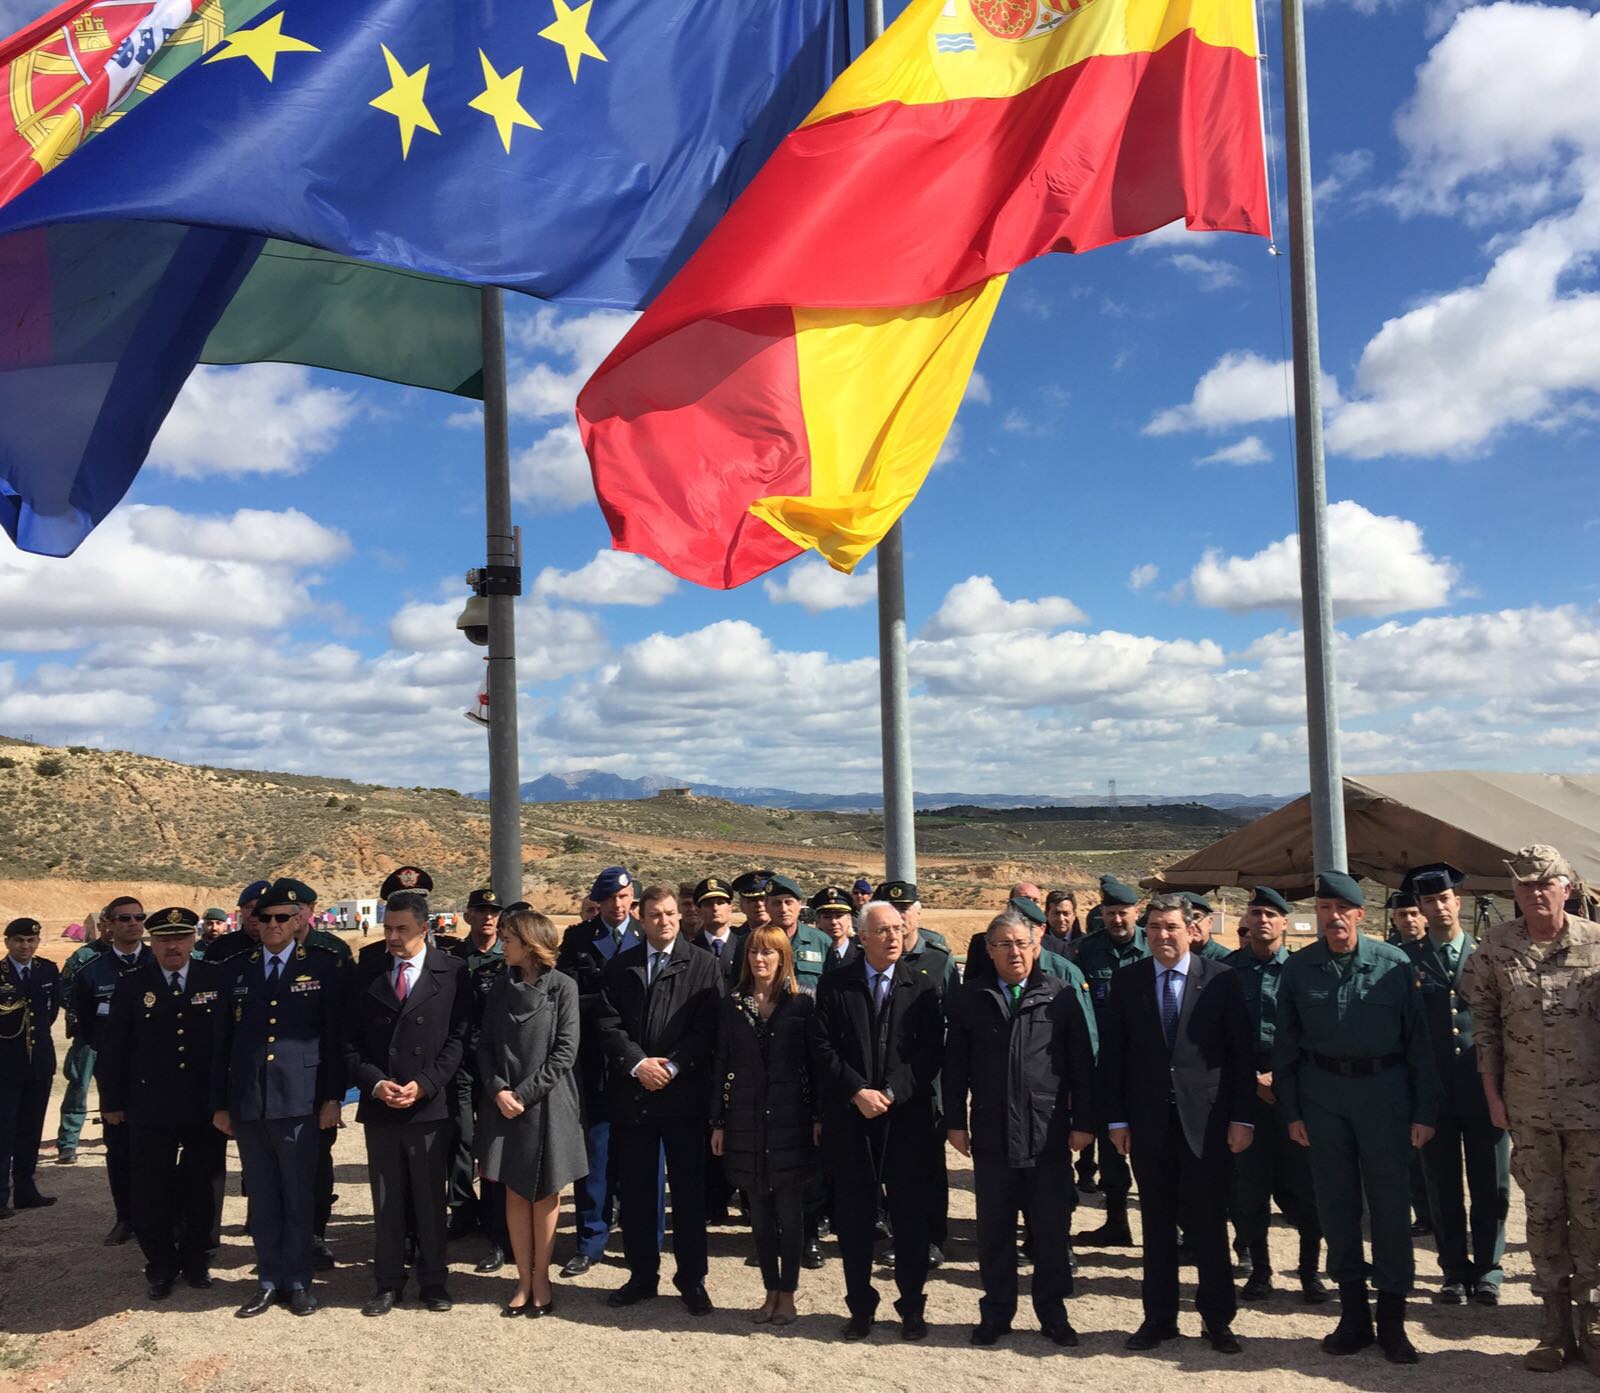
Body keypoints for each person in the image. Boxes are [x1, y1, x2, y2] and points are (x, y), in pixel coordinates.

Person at [1274, 871, 1438, 1364]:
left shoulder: (1393, 964)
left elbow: (1420, 1046)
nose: (1334, 917)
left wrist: (1424, 1110)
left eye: (1342, 910)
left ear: (1360, 915)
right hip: (1323, 1097)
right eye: (1325, 909)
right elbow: (1285, 1049)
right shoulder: (1300, 969)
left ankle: (1391, 1321)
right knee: (1337, 1205)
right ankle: (1352, 1318)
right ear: (1318, 915)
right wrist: (1292, 1112)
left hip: (1384, 1095)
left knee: (1389, 1208)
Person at [1462, 844, 1600, 1373]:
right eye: (1523, 886)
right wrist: (1494, 1098)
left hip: (1591, 1112)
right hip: (1529, 1110)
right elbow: (1487, 1029)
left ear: (1567, 886)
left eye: (1544, 883)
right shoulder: (1496, 949)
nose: (1534, 893)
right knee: (1543, 1216)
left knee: (1592, 1217)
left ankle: (1592, 1326)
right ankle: (1552, 1329)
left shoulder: (1595, 944)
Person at [1099, 895, 1254, 1354]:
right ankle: (1159, 1319)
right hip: (1147, 1124)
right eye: (1153, 929)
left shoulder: (1222, 981)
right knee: (1158, 1226)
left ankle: (1217, 1320)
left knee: (1208, 1225)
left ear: (1191, 930)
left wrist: (1242, 1117)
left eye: (1170, 927)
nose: (1162, 936)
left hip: (1206, 1124)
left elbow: (1240, 1056)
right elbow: (1113, 1058)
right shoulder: (1129, 982)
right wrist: (1117, 1119)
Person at [945, 908, 1094, 1347]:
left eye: (1022, 944)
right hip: (991, 1133)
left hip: (1046, 1132)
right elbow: (954, 1067)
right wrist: (956, 1123)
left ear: (1037, 948)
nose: (1015, 952)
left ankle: (1053, 1314)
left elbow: (1082, 1065)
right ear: (989, 952)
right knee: (994, 1231)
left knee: (1049, 1231)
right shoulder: (971, 998)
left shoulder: (1061, 995)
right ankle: (996, 1313)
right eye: (1004, 944)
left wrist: (1084, 1123)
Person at [212, 878, 345, 1317]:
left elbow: (334, 1040)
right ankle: (268, 1280)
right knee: (263, 1197)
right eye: (264, 917)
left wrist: (332, 1099)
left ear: (299, 920)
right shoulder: (236, 969)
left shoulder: (324, 967)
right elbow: (221, 1044)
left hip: (300, 1102)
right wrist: (220, 1103)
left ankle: (300, 1280)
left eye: (282, 918)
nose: (272, 925)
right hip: (250, 1101)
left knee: (298, 1195)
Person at [812, 900, 944, 1341]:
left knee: (909, 1219)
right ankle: (860, 1308)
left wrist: (889, 1092)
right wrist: (856, 1090)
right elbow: (821, 1048)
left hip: (905, 1122)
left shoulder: (922, 986)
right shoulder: (835, 985)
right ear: (862, 937)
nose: (892, 936)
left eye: (897, 928)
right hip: (851, 1121)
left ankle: (911, 1307)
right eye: (882, 930)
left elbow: (929, 1054)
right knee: (853, 1219)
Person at [595, 884, 721, 1314]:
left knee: (688, 1194)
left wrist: (672, 1066)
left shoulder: (703, 965)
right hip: (634, 1098)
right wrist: (638, 1064)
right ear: (641, 918)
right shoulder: (621, 966)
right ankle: (641, 1275)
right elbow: (608, 1024)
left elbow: (707, 1029)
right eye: (655, 915)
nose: (664, 921)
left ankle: (692, 1280)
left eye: (670, 913)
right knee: (636, 1192)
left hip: (683, 1099)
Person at [345, 888, 471, 1316]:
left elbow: (459, 1039)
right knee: (387, 1197)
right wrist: (376, 1084)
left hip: (428, 1106)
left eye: (402, 929)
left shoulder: (453, 972)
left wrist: (426, 1084)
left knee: (430, 1199)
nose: (393, 938)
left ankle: (434, 1280)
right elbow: (349, 1041)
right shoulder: (367, 969)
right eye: (388, 928)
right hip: (382, 1104)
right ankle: (387, 1281)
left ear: (425, 928)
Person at [98, 908, 228, 1298]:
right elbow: (114, 1048)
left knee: (203, 1183)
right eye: (164, 939)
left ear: (194, 939)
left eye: (181, 937)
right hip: (149, 1104)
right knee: (150, 1186)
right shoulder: (134, 983)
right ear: (151, 942)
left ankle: (197, 1257)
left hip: (203, 1104)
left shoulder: (215, 978)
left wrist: (227, 1100)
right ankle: (160, 1263)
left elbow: (227, 1044)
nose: (173, 946)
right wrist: (112, 1101)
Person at [1401, 862, 1509, 1307]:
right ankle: (1452, 1271)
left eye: (1444, 899)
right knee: (1441, 1185)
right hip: (1434, 1095)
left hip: (1484, 1090)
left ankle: (1488, 1270)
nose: (1438, 907)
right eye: (1429, 901)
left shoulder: (1487, 954)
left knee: (1491, 1184)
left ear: (1457, 902)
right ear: (1421, 909)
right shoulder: (1406, 961)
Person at [476, 908, 586, 1318]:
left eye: (509, 939)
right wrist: (498, 1090)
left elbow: (564, 1052)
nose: (502, 944)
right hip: (504, 1104)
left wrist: (522, 1094)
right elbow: (484, 1046)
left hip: (547, 1103)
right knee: (515, 1191)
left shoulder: (563, 987)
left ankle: (542, 1278)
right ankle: (522, 1278)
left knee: (545, 1192)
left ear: (530, 943)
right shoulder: (499, 989)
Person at [712, 924, 819, 1325]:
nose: (760, 959)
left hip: (791, 1120)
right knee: (758, 1213)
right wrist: (718, 1121)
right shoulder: (733, 1003)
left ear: (782, 957)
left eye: (768, 953)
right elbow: (721, 1064)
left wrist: (819, 1116)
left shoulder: (802, 1003)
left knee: (790, 1215)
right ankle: (768, 1292)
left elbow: (814, 1065)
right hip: (745, 1119)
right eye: (754, 952)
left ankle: (787, 1294)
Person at [1226, 887, 1327, 1303]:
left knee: (1306, 1190)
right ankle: (1261, 1271)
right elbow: (1219, 1037)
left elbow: (1317, 1035)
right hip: (1246, 1095)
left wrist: (1281, 1082)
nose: (1263, 920)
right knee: (1250, 1189)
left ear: (1285, 922)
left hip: (1296, 1096)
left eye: (1271, 913)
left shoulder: (1304, 970)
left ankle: (1309, 1273)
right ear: (1247, 922)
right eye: (1256, 913)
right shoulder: (1228, 972)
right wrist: (1252, 1079)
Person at [554, 865, 642, 1277]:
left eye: (624, 898)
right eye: (609, 900)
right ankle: (590, 1240)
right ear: (598, 902)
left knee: (637, 1154)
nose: (617, 906)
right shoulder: (577, 939)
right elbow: (568, 996)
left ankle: (640, 1238)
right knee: (594, 1154)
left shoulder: (647, 936)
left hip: (638, 1061)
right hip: (594, 1062)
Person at [74, 893, 154, 1243]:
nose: (133, 923)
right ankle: (126, 1218)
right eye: (124, 918)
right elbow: (87, 1028)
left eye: (139, 917)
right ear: (108, 924)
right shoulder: (92, 973)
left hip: (160, 1070)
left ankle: (164, 1215)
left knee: (161, 1145)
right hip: (116, 1073)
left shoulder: (158, 962)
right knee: (119, 1146)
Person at [1072, 875, 1148, 1242]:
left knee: (1156, 1151)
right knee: (1111, 1150)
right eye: (1110, 913)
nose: (1118, 920)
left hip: (1148, 1069)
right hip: (1106, 1068)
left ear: (1138, 912)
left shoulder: (1154, 948)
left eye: (1123, 913)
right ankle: (1116, 1223)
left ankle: (1174, 1229)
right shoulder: (1087, 951)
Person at [446, 885, 508, 1267]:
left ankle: (494, 1217)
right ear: (467, 916)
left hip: (497, 1063)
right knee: (460, 1138)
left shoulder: (509, 956)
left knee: (493, 1141)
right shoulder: (454, 958)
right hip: (461, 1061)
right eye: (480, 911)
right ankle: (463, 1209)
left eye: (493, 911)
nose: (488, 917)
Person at [0, 917, 59, 1217]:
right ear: (7, 942)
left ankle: (26, 1190)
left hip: (39, 1062)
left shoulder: (47, 970)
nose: (25, 946)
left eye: (31, 940)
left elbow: (49, 1014)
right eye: (19, 940)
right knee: (4, 1129)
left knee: (31, 1128)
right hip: (5, 1065)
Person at [54, 908, 113, 1163]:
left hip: (123, 1036)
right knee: (78, 1085)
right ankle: (69, 1141)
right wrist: (84, 1013)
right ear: (99, 926)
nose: (111, 929)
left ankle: (118, 1137)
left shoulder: (136, 957)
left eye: (115, 923)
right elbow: (63, 991)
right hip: (89, 1035)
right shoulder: (84, 957)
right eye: (106, 924)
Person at [1183, 893, 1233, 961]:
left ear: (1210, 923)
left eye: (1197, 917)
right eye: (1185, 918)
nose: (1191, 924)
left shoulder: (1227, 960)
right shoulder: (1169, 958)